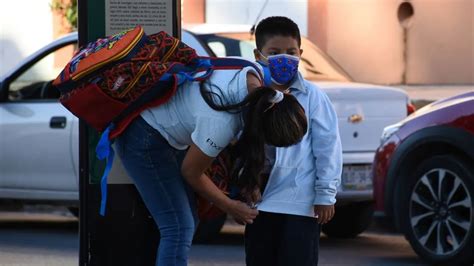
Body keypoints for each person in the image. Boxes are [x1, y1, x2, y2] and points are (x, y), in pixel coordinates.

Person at [114, 62, 308, 266]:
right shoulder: (221, 123)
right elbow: (191, 172)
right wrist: (231, 206)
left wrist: (247, 183)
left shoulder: (253, 79)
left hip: (165, 130)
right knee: (178, 227)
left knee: (187, 220)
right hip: (143, 137)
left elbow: (246, 140)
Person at [243, 16, 343, 266]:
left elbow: (328, 147)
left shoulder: (313, 97)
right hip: (260, 206)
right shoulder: (250, 94)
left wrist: (325, 194)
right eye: (274, 52)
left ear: (301, 53)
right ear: (259, 54)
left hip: (301, 205)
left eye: (290, 52)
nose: (284, 59)